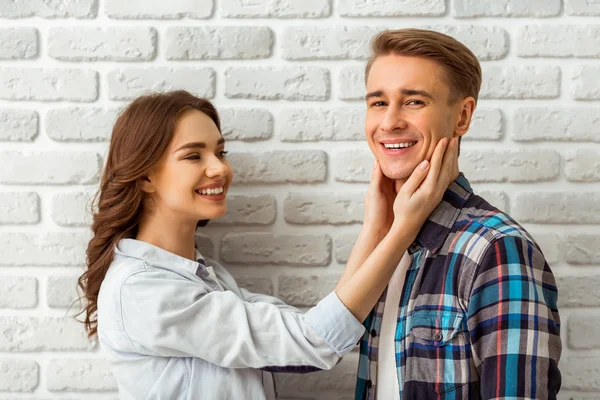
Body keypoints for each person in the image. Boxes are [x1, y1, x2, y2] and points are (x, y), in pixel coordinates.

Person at [76, 90, 458, 399]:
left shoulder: (206, 277)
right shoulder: (142, 290)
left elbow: (311, 328)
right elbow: (313, 343)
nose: (220, 168)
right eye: (194, 155)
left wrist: (378, 225)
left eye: (220, 152)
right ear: (144, 177)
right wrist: (403, 228)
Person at [351, 29, 562, 400]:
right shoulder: (385, 243)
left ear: (462, 116)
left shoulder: (497, 249)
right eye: (379, 103)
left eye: (414, 101)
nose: (389, 123)